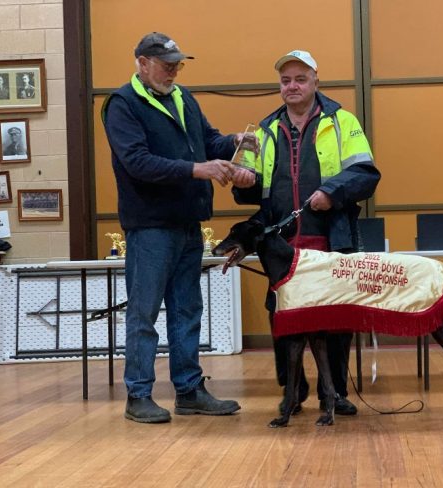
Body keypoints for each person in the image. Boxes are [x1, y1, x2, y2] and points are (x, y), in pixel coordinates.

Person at [102, 32, 257, 423]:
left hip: (188, 223)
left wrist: (234, 142)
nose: (173, 71)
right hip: (150, 227)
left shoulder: (183, 98)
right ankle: (138, 395)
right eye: (166, 64)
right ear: (142, 63)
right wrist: (196, 170)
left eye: (177, 64)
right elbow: (137, 162)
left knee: (187, 310)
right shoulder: (122, 104)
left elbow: (208, 141)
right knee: (144, 314)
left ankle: (189, 391)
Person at [232, 49, 381, 416]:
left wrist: (332, 192)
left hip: (330, 237)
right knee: (283, 317)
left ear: (316, 81)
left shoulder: (343, 121)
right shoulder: (264, 130)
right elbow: (249, 190)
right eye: (286, 80)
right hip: (283, 244)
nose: (292, 86)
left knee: (335, 318)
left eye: (300, 79)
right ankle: (293, 392)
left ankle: (337, 393)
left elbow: (366, 174)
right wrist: (244, 180)